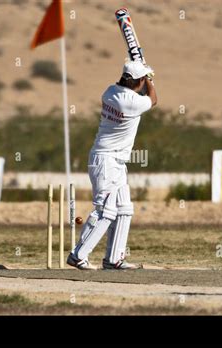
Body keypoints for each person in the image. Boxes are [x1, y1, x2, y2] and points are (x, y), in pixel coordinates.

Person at [67, 60, 157, 270]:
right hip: (106, 160)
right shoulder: (131, 102)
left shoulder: (109, 91)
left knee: (124, 208)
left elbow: (141, 92)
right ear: (139, 81)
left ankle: (114, 259)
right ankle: (78, 255)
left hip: (114, 161)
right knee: (105, 211)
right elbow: (153, 99)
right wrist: (151, 80)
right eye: (143, 80)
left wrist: (145, 76)